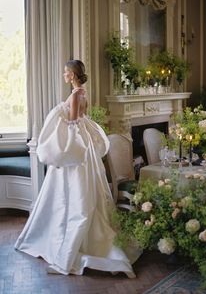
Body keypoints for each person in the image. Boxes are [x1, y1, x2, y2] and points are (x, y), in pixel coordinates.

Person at [15, 60, 140, 277]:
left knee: (72, 193)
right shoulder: (84, 93)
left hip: (77, 148)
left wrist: (64, 148)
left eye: (65, 72)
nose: (64, 75)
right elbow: (83, 119)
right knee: (85, 190)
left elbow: (73, 124)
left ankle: (67, 251)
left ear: (72, 74)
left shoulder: (74, 95)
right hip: (87, 148)